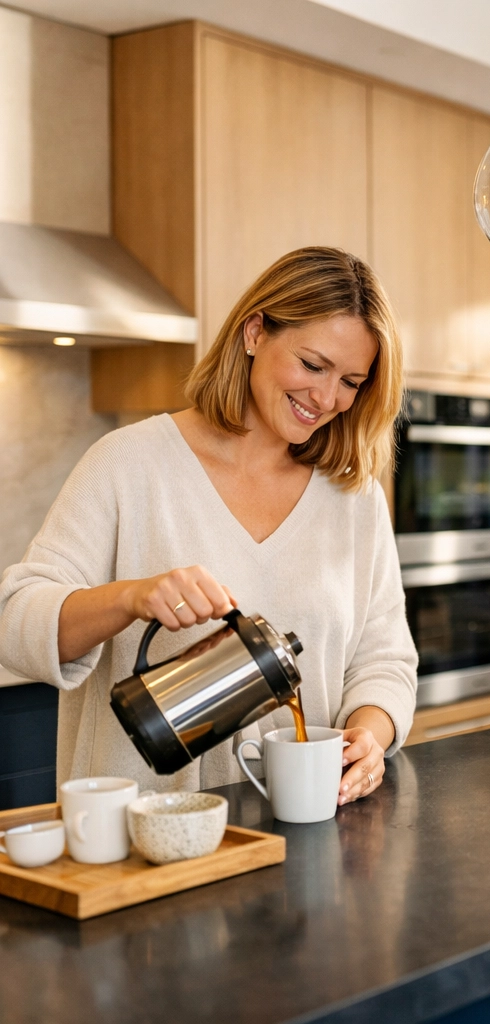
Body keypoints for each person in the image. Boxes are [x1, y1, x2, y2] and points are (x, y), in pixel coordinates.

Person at [0, 246, 417, 804]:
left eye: (352, 381)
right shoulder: (129, 464)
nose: (325, 398)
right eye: (313, 365)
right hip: (145, 840)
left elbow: (384, 658)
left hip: (308, 834)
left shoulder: (353, 496)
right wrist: (132, 598)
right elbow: (15, 622)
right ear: (254, 332)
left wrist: (371, 731)